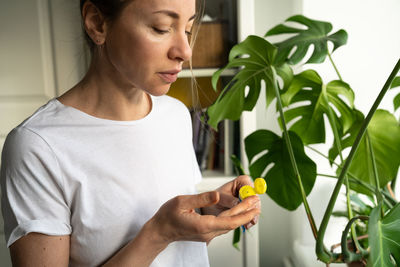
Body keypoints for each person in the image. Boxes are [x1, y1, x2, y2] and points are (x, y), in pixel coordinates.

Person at [0, 0, 261, 266]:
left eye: (189, 29)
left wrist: (211, 210)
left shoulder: (176, 115)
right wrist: (159, 233)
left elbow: (179, 252)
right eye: (161, 28)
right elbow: (163, 234)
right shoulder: (37, 146)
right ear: (97, 23)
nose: (185, 51)